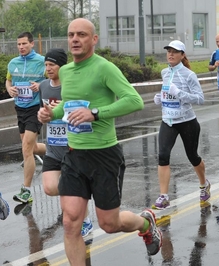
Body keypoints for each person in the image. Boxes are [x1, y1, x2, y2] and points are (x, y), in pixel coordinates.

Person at [37, 18, 161, 265]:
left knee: (109, 223)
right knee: (71, 222)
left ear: (94, 39)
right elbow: (68, 103)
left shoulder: (105, 68)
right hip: (74, 155)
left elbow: (134, 100)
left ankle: (145, 223)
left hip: (104, 155)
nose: (75, 39)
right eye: (71, 34)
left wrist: (95, 113)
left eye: (81, 34)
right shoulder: (66, 71)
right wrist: (53, 113)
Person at [40, 48, 94, 237]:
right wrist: (44, 115)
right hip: (53, 147)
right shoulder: (43, 86)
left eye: (52, 65)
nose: (48, 69)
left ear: (62, 67)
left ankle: (84, 218)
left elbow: (82, 111)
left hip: (71, 147)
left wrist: (61, 111)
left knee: (70, 188)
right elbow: (43, 112)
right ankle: (77, 197)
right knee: (49, 187)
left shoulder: (70, 87)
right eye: (46, 65)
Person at [151, 40, 210, 210]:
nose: (170, 54)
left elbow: (199, 98)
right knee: (162, 155)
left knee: (193, 156)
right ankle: (164, 196)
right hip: (168, 121)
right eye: (168, 51)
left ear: (182, 55)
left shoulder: (189, 75)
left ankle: (203, 184)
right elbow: (166, 92)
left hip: (187, 122)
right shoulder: (164, 72)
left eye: (175, 51)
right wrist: (160, 97)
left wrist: (179, 93)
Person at [5, 32, 46, 203]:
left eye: (24, 44)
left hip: (35, 109)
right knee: (32, 147)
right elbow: (8, 81)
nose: (21, 47)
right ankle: (57, 150)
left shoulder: (42, 61)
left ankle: (26, 191)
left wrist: (40, 84)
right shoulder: (13, 63)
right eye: (18, 44)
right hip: (20, 108)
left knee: (27, 149)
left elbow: (55, 79)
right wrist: (9, 89)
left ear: (32, 44)